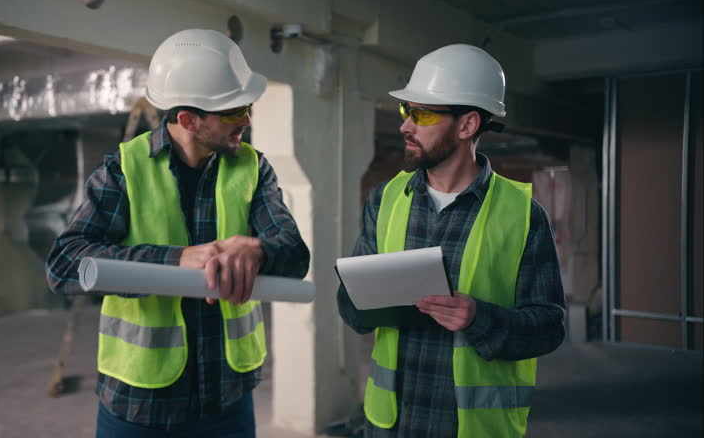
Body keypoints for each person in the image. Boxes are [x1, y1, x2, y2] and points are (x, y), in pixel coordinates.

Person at [46, 29, 310, 438]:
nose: (247, 120)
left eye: (246, 106)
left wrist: (258, 253)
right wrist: (177, 260)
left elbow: (293, 253)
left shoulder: (253, 169)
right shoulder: (123, 170)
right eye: (233, 111)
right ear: (187, 119)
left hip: (227, 400)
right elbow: (64, 264)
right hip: (138, 404)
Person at [337, 44, 565, 437]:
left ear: (467, 125)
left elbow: (549, 325)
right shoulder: (385, 198)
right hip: (390, 424)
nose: (405, 126)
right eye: (405, 111)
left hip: (471, 427)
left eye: (421, 114)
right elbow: (351, 308)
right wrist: (359, 298)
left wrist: (480, 319)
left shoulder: (523, 216)